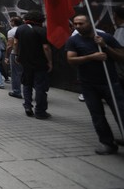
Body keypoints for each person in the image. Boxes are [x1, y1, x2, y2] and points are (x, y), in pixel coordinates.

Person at [65, 14, 124, 155]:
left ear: (90, 23)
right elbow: (71, 60)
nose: (78, 26)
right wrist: (92, 57)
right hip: (88, 85)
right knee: (97, 115)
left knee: (121, 112)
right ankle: (107, 142)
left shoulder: (106, 38)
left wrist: (105, 47)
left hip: (110, 82)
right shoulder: (73, 41)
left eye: (81, 23)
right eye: (75, 24)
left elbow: (121, 57)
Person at [15, 11, 52, 120]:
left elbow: (16, 43)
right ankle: (40, 111)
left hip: (25, 62)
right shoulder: (41, 30)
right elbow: (46, 48)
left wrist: (17, 55)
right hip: (40, 63)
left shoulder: (20, 29)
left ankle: (27, 106)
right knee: (40, 87)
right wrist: (50, 61)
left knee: (27, 84)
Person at [6, 16, 23, 99]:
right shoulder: (25, 30)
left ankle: (16, 91)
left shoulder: (11, 32)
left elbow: (10, 45)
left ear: (13, 23)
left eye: (11, 21)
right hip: (26, 54)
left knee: (15, 73)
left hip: (14, 53)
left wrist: (6, 56)